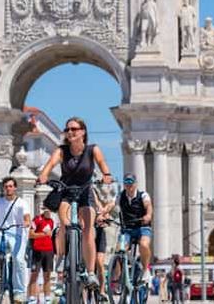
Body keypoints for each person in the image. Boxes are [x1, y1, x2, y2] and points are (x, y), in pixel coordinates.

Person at [36, 117, 114, 290]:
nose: (70, 132)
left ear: (83, 132)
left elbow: (102, 163)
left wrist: (106, 175)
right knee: (64, 222)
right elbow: (50, 164)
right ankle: (62, 257)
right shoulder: (62, 150)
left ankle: (91, 272)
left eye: (74, 129)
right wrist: (43, 175)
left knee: (88, 229)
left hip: (86, 192)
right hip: (67, 191)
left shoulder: (92, 150)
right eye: (68, 129)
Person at [0, 176, 32, 304]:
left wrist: (26, 222)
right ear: (3, 188)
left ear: (15, 188)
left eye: (10, 186)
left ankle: (19, 292)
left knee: (18, 260)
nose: (8, 189)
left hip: (17, 233)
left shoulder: (22, 203)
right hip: (2, 232)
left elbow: (26, 216)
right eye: (6, 186)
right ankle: (2, 271)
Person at [115, 173, 153, 286]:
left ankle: (146, 270)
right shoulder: (120, 196)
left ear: (135, 184)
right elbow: (111, 205)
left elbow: (148, 206)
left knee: (144, 245)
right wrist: (103, 213)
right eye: (126, 183)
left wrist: (148, 215)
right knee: (119, 251)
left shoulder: (143, 195)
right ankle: (120, 277)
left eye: (131, 183)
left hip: (142, 227)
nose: (129, 186)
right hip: (127, 229)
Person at [28, 205, 55, 304]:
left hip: (49, 250)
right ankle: (32, 298)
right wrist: (43, 235)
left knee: (47, 275)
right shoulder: (37, 219)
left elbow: (51, 235)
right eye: (47, 210)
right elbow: (30, 234)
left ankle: (47, 298)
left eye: (50, 210)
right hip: (37, 250)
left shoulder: (52, 221)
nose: (49, 212)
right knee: (34, 275)